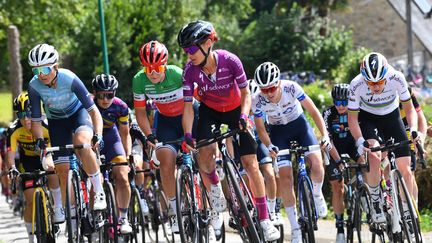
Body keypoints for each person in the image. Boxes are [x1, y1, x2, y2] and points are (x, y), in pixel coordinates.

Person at [178, 20, 280, 241]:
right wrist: (188, 134)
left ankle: (264, 220)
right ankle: (215, 193)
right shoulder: (190, 72)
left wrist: (244, 116)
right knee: (204, 156)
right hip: (210, 111)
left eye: (192, 49)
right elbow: (187, 107)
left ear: (207, 44)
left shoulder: (230, 60)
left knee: (251, 164)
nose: (189, 55)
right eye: (186, 51)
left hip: (236, 110)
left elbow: (246, 94)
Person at [251, 62, 329, 243]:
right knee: (285, 178)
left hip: (300, 126)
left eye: (271, 88)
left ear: (278, 83)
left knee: (316, 164)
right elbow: (261, 128)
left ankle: (317, 195)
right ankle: (295, 228)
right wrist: (269, 145)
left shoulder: (292, 88)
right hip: (278, 133)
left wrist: (324, 135)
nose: (269, 93)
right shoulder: (257, 99)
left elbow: (314, 111)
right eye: (264, 90)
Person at [27, 43, 106, 221]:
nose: (41, 75)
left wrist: (98, 134)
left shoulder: (69, 78)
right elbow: (37, 120)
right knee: (61, 170)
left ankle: (99, 191)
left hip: (78, 115)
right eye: (36, 71)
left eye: (45, 69)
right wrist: (39, 140)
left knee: (82, 144)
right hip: (57, 122)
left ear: (55, 66)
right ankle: (70, 211)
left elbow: (94, 111)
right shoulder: (34, 86)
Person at [132, 40, 201, 234]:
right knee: (166, 162)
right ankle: (175, 209)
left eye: (157, 67)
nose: (153, 73)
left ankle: (208, 208)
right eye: (148, 69)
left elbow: (198, 99)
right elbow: (140, 113)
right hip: (166, 121)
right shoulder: (139, 80)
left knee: (203, 159)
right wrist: (149, 135)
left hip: (189, 114)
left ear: (165, 64)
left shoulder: (178, 74)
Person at [347, 52, 418, 224]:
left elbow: (409, 110)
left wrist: (414, 130)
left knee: (405, 169)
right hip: (368, 118)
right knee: (373, 155)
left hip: (391, 117)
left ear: (386, 75)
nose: (376, 87)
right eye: (371, 83)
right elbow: (352, 120)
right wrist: (359, 141)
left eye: (379, 82)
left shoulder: (397, 77)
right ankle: (376, 199)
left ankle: (407, 211)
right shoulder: (356, 85)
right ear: (364, 79)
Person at [6, 92, 61, 243]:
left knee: (50, 167)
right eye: (21, 114)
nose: (25, 118)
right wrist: (12, 168)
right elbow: (10, 154)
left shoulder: (45, 124)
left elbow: (54, 147)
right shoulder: (14, 130)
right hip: (27, 161)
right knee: (30, 200)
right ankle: (31, 237)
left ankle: (57, 207)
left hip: (46, 154)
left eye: (29, 113)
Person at [92, 74, 132, 234]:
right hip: (93, 140)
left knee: (122, 176)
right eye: (101, 95)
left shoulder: (121, 107)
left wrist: (128, 156)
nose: (105, 99)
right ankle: (93, 217)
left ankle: (123, 217)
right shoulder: (87, 104)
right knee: (94, 178)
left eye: (110, 95)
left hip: (112, 139)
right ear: (94, 93)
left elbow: (125, 133)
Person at [323, 83, 362, 243]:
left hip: (352, 146)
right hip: (334, 150)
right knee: (337, 187)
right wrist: (338, 160)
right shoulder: (328, 113)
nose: (340, 106)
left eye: (344, 102)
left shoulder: (356, 110)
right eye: (337, 102)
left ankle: (365, 193)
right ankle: (340, 227)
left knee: (366, 163)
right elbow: (328, 140)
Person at [248, 80, 280, 225]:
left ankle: (273, 209)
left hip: (261, 144)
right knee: (247, 176)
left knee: (270, 174)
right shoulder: (240, 111)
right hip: (246, 146)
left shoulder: (264, 108)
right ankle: (253, 205)